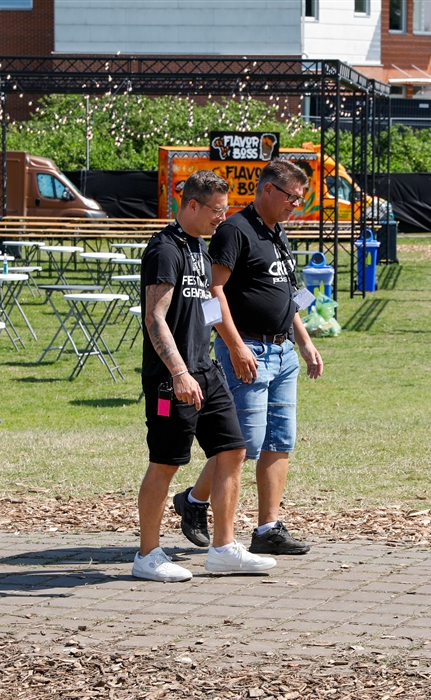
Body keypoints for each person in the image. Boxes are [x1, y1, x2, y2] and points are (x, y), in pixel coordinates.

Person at [173, 159, 323, 556]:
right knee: (244, 443)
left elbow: (290, 295)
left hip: (283, 351)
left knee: (280, 440)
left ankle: (268, 529)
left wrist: (304, 342)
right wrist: (235, 346)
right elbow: (212, 291)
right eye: (293, 197)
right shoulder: (234, 231)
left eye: (300, 199)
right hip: (249, 351)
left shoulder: (278, 234)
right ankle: (194, 501)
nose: (297, 205)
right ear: (269, 190)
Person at [134, 170, 276, 582]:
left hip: (206, 370)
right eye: (216, 210)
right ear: (191, 205)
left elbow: (209, 306)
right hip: (171, 377)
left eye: (226, 209)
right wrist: (178, 372)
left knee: (233, 449)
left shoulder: (199, 247)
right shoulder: (165, 250)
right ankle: (147, 555)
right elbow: (154, 318)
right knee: (165, 463)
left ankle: (224, 549)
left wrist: (233, 345)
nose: (222, 217)